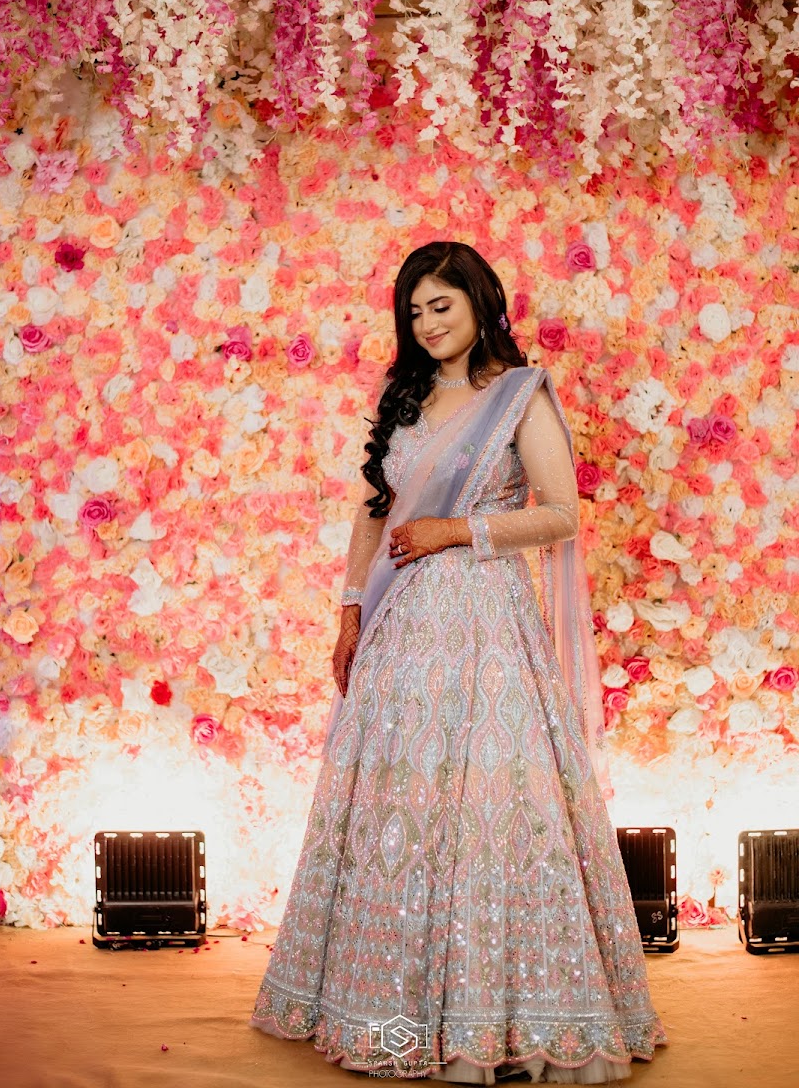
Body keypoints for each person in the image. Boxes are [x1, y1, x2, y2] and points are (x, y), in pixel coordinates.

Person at [249, 242, 667, 1084]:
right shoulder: (405, 399)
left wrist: (454, 531)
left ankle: (496, 1015)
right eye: (414, 312)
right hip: (400, 631)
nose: (428, 324)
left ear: (480, 302)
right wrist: (349, 610)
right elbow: (374, 512)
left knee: (486, 807)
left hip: (485, 629)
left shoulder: (518, 396)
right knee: (397, 810)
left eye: (441, 305)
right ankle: (384, 1016)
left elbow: (560, 515)